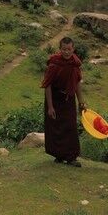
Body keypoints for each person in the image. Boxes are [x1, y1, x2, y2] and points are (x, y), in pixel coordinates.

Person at [41, 36, 86, 166]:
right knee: (55, 127)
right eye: (64, 49)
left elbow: (76, 83)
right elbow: (47, 85)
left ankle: (71, 157)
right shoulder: (54, 63)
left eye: (69, 49)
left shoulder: (75, 64)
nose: (67, 52)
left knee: (70, 127)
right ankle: (58, 155)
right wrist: (50, 107)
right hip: (54, 98)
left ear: (73, 49)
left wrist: (81, 102)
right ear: (60, 49)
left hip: (68, 98)